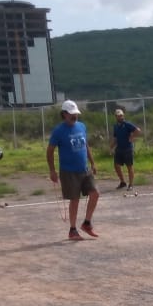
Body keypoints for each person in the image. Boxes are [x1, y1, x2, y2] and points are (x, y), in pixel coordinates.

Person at [47, 100, 99, 241]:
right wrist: (52, 170)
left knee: (95, 194)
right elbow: (50, 151)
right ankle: (72, 230)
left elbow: (85, 145)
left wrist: (93, 162)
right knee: (74, 200)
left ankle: (87, 223)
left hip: (84, 169)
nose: (74, 116)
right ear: (64, 114)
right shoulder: (58, 131)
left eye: (76, 113)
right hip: (68, 171)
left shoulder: (82, 126)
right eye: (71, 114)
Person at [110, 109, 142, 190]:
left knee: (129, 166)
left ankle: (130, 184)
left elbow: (138, 130)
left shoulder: (127, 124)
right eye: (118, 116)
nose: (120, 117)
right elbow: (115, 138)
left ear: (123, 116)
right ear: (116, 117)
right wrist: (111, 146)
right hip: (119, 149)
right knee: (116, 165)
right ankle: (122, 182)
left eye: (121, 115)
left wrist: (132, 136)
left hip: (127, 148)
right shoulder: (116, 126)